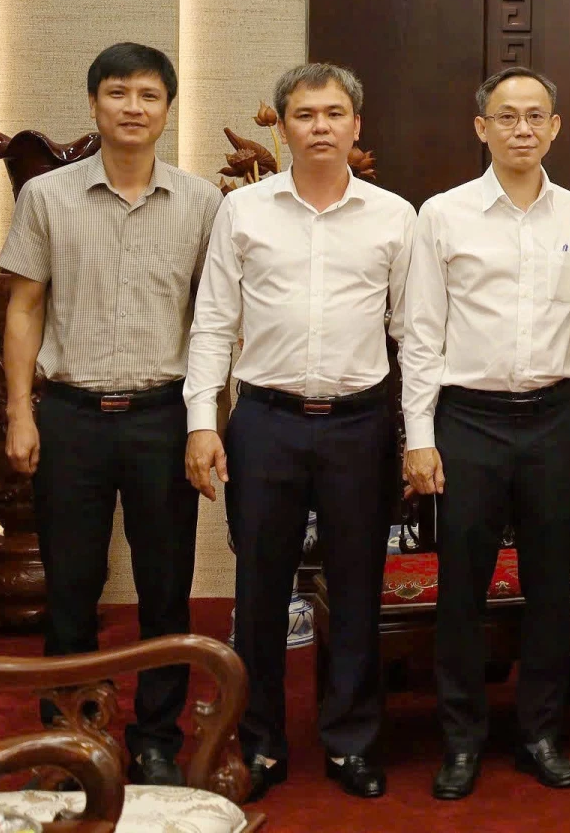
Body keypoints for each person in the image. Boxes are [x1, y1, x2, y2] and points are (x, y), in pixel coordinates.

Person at [184, 63, 415, 802]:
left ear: (356, 125)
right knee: (259, 590)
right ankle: (259, 743)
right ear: (283, 127)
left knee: (357, 587)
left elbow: (415, 333)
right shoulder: (243, 211)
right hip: (266, 422)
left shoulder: (394, 216)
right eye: (306, 114)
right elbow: (212, 323)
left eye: (334, 113)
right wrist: (201, 422)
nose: (321, 126)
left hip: (359, 423)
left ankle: (351, 742)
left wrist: (417, 433)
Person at [0, 42, 221, 786]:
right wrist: (20, 412)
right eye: (118, 93)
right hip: (71, 415)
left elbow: (214, 319)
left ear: (168, 110)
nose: (133, 107)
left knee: (166, 586)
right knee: (70, 585)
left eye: (149, 95)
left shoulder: (201, 202)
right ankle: (73, 735)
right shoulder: (46, 197)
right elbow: (24, 307)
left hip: (162, 415)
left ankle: (156, 738)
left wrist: (206, 422)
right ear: (94, 104)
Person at [400, 67, 570, 800]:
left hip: (555, 419)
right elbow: (421, 332)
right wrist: (419, 434)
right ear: (481, 127)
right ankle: (462, 740)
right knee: (461, 589)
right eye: (506, 116)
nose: (521, 129)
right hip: (468, 420)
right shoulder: (443, 215)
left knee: (551, 587)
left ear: (555, 127)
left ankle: (539, 735)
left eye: (535, 116)